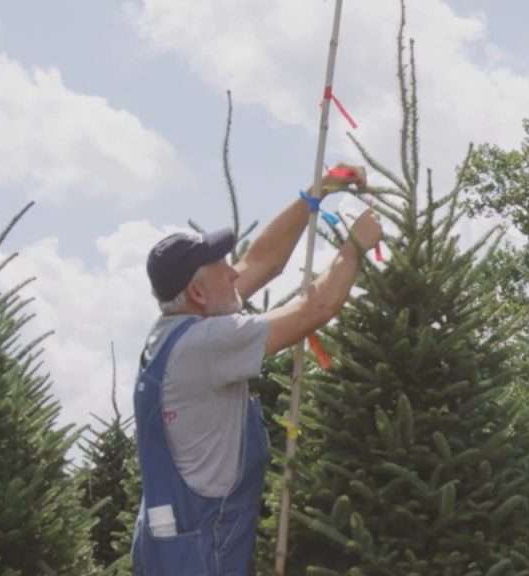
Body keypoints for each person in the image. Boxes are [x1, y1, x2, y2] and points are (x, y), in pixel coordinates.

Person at [131, 164, 382, 575]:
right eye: (221, 268)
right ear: (197, 292)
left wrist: (314, 194)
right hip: (203, 556)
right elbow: (312, 310)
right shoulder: (205, 344)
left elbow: (261, 261)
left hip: (168, 547)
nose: (233, 272)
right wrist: (353, 247)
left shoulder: (173, 333)